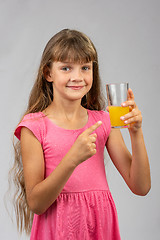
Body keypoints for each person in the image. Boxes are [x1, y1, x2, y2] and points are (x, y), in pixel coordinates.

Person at [11, 29, 151, 240]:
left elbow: (141, 186)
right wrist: (72, 159)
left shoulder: (104, 121)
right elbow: (37, 204)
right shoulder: (34, 127)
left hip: (99, 228)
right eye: (66, 68)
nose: (77, 77)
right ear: (48, 73)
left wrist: (136, 133)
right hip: (58, 230)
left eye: (85, 68)